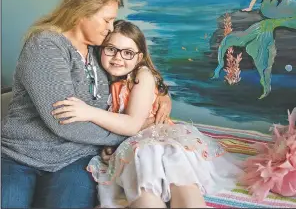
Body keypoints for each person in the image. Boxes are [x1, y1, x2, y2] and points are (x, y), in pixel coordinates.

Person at [1, 0, 172, 208]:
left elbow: (133, 70)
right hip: (22, 155)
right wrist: (132, 129)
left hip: (75, 158)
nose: (110, 28)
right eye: (107, 20)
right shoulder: (45, 46)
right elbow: (64, 121)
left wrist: (162, 95)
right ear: (82, 12)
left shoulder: (98, 51)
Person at [51, 20, 244, 208]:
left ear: (139, 57)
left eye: (128, 53)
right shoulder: (102, 80)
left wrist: (88, 112)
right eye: (111, 49)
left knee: (178, 174)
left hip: (157, 138)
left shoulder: (141, 76)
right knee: (145, 181)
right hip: (134, 143)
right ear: (101, 49)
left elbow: (133, 124)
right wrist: (108, 143)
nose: (118, 57)